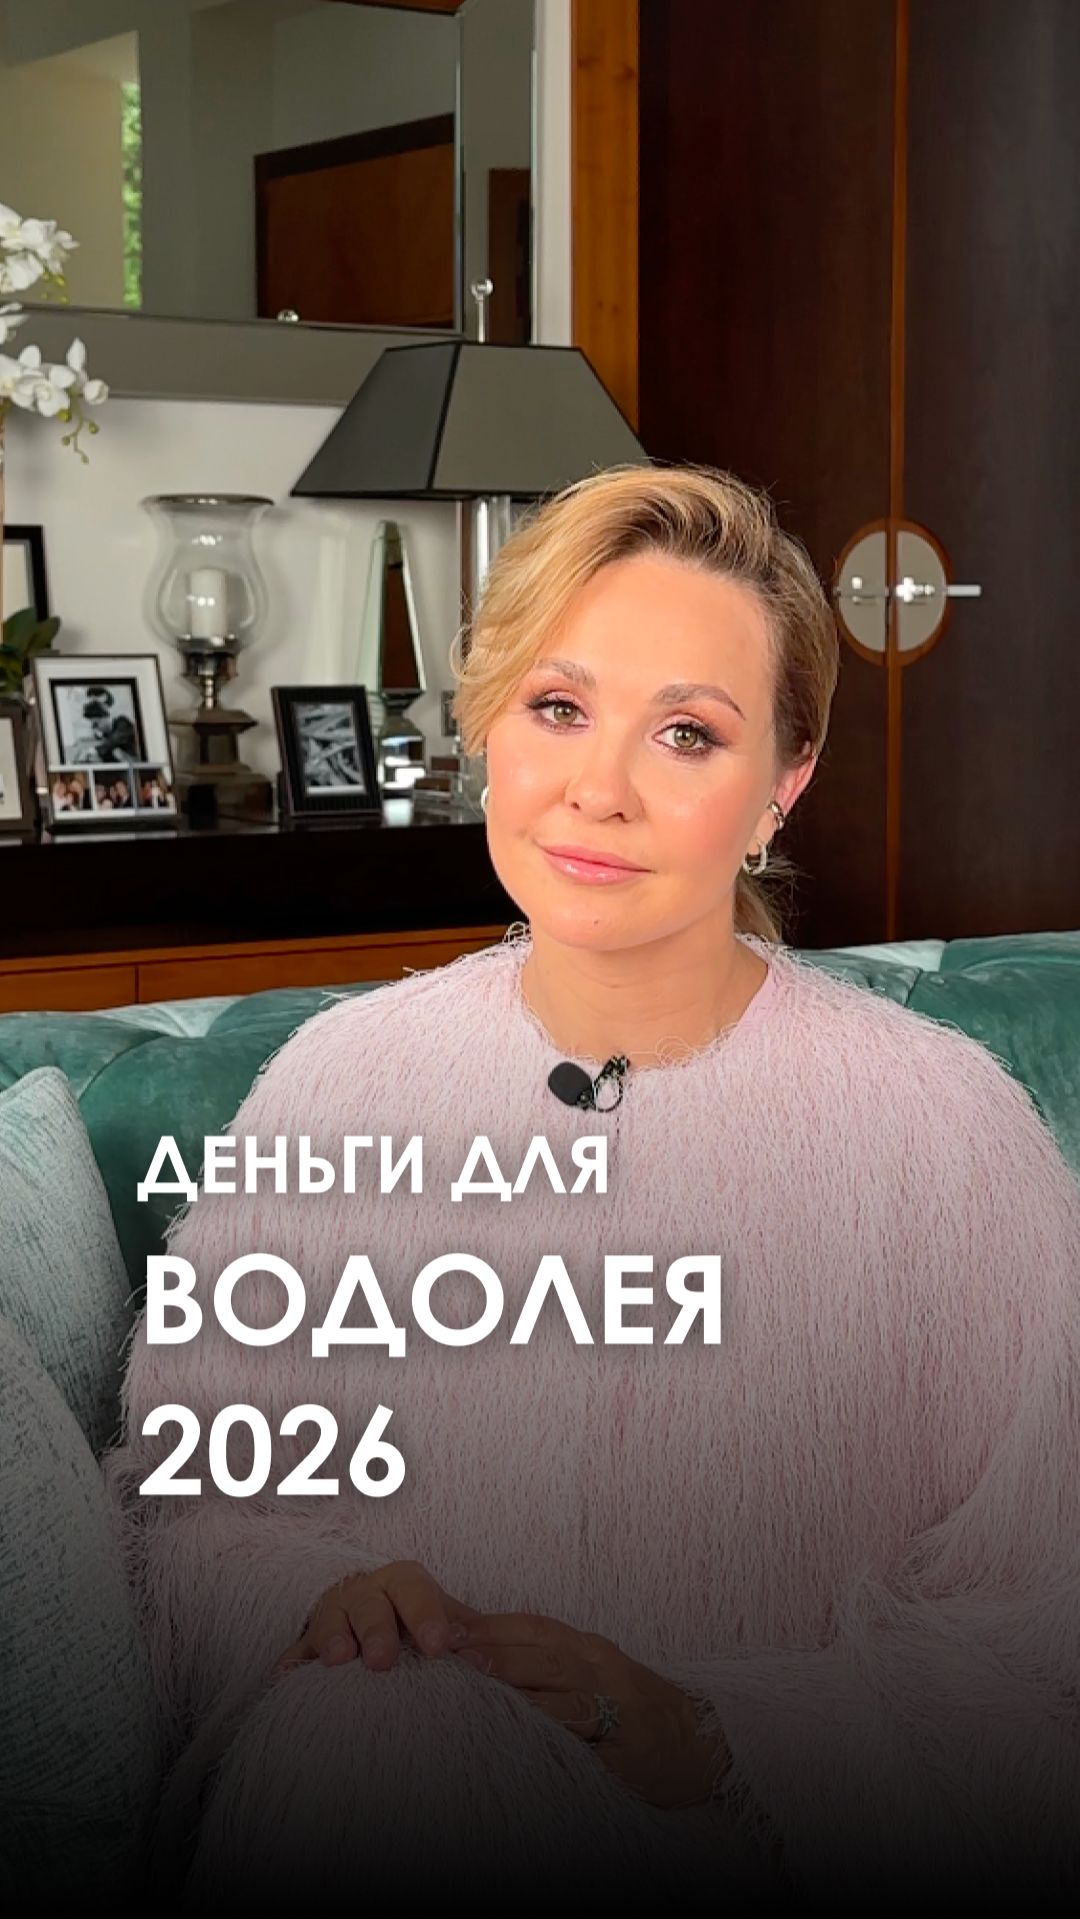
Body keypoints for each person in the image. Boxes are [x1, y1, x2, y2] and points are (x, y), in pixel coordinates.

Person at [106, 466, 1080, 1904]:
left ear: (783, 787)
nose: (599, 789)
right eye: (559, 707)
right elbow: (185, 1505)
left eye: (688, 734)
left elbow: (1045, 1631)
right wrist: (318, 1600)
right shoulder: (336, 1086)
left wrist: (717, 1737)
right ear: (489, 725)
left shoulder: (952, 1133)